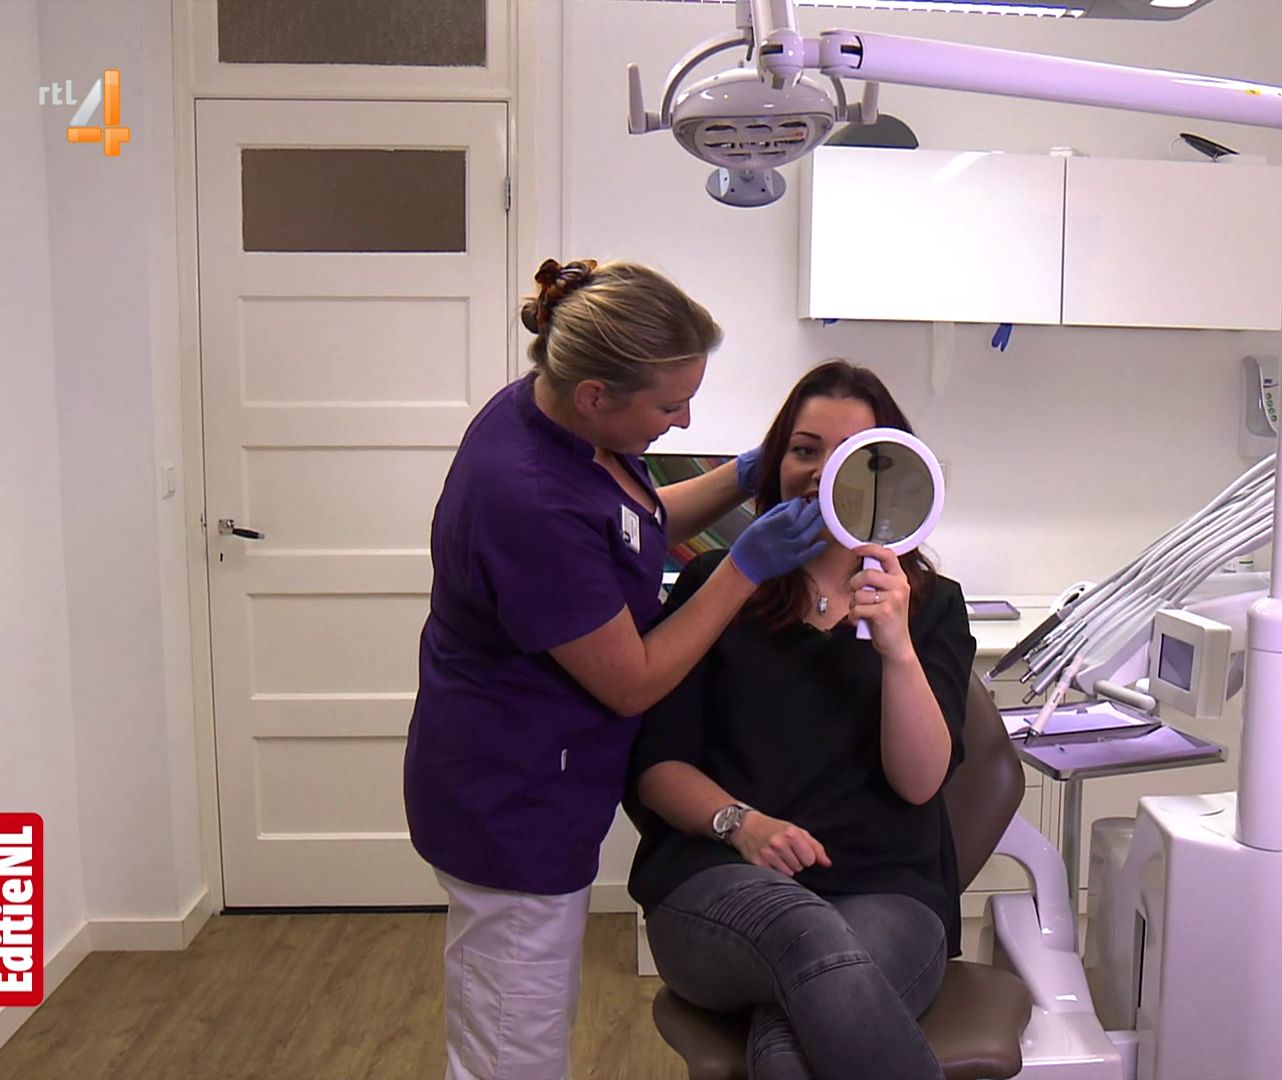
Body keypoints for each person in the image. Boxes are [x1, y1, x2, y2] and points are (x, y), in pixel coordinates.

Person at [404, 258, 829, 1080]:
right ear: (596, 395)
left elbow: (631, 525)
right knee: (511, 1050)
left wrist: (747, 474)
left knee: (523, 1018)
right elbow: (631, 679)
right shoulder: (526, 498)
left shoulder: (555, 418)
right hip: (512, 801)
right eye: (670, 407)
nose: (684, 418)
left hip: (533, 782)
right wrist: (744, 565)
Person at [626, 360, 978, 1080]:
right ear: (775, 464)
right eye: (805, 450)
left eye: (854, 453)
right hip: (718, 885)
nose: (824, 473)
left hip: (887, 893)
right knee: (805, 932)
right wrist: (742, 824)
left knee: (791, 1049)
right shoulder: (718, 586)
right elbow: (657, 768)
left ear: (896, 470)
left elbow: (919, 783)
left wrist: (897, 649)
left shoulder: (933, 605)